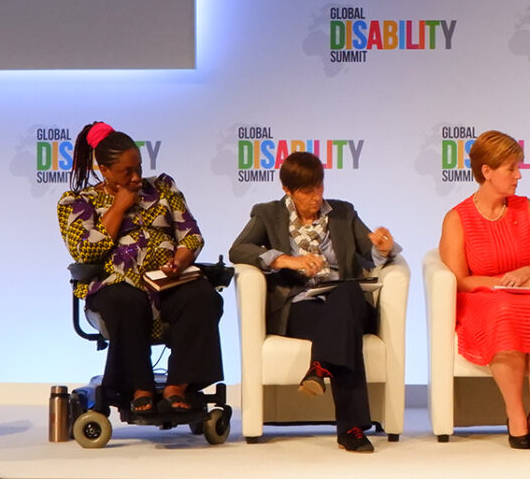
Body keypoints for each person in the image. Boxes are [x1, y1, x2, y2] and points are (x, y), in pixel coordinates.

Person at [229, 151, 402, 453]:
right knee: (343, 332)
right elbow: (239, 250)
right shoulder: (268, 214)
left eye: (320, 187)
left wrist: (384, 248)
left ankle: (319, 367)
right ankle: (350, 428)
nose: (317, 197)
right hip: (300, 303)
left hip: (346, 298)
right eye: (307, 191)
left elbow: (370, 253)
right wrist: (286, 260)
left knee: (347, 295)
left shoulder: (343, 212)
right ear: (287, 190)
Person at [56, 120, 222, 415]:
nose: (136, 178)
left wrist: (180, 261)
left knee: (202, 296)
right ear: (103, 169)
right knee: (126, 301)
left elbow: (191, 235)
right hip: (114, 285)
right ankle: (139, 387)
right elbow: (85, 251)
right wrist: (119, 207)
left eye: (139, 168)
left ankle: (178, 386)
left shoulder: (163, 188)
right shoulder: (78, 202)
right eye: (126, 172)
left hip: (169, 281)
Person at [439, 130, 530, 451]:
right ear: (487, 172)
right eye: (510, 169)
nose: (518, 176)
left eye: (518, 168)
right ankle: (515, 412)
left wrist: (527, 272)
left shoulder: (527, 208)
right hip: (484, 298)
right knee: (502, 310)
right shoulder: (457, 218)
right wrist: (505, 282)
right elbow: (461, 279)